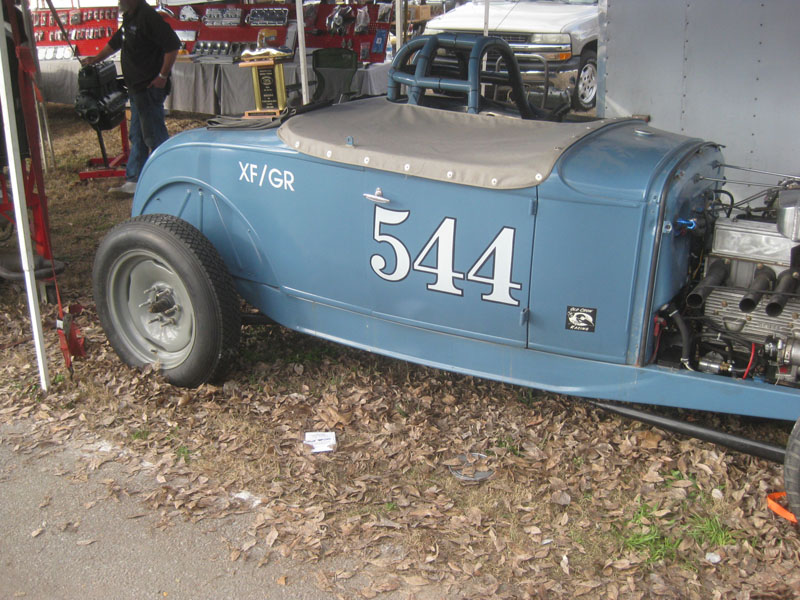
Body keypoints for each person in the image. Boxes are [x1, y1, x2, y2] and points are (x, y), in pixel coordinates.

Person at [80, 0, 179, 195]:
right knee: (138, 134)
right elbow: (117, 42)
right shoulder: (129, 17)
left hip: (149, 87)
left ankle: (170, 177)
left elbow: (173, 46)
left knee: (154, 135)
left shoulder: (148, 17)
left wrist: (162, 76)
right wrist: (96, 59)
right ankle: (135, 179)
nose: (119, 1)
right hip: (136, 88)